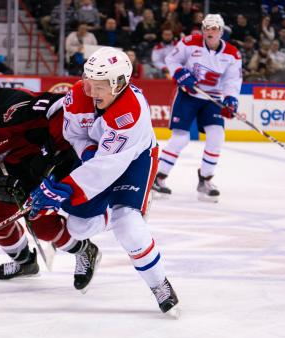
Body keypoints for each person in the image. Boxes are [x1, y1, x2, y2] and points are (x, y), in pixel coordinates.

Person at [28, 47, 179, 314]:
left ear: (119, 83)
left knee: (128, 225)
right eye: (88, 83)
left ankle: (159, 284)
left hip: (135, 161)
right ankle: (108, 217)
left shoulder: (130, 112)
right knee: (77, 227)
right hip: (97, 161)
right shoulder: (77, 95)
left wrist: (66, 187)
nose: (90, 92)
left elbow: (108, 166)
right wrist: (84, 154)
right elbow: (74, 135)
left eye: (99, 87)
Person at [0, 78, 100, 290]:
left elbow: (61, 106)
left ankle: (84, 249)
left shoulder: (13, 106)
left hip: (57, 164)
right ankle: (25, 262)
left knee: (41, 225)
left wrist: (50, 150)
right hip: (19, 175)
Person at [152, 14, 242, 202]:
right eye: (207, 28)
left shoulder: (232, 54)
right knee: (180, 138)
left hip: (213, 98)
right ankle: (158, 177)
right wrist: (181, 73)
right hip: (189, 95)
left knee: (217, 136)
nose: (210, 31)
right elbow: (172, 60)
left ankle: (206, 179)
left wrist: (231, 100)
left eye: (214, 28)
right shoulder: (190, 42)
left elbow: (232, 80)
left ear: (221, 31)